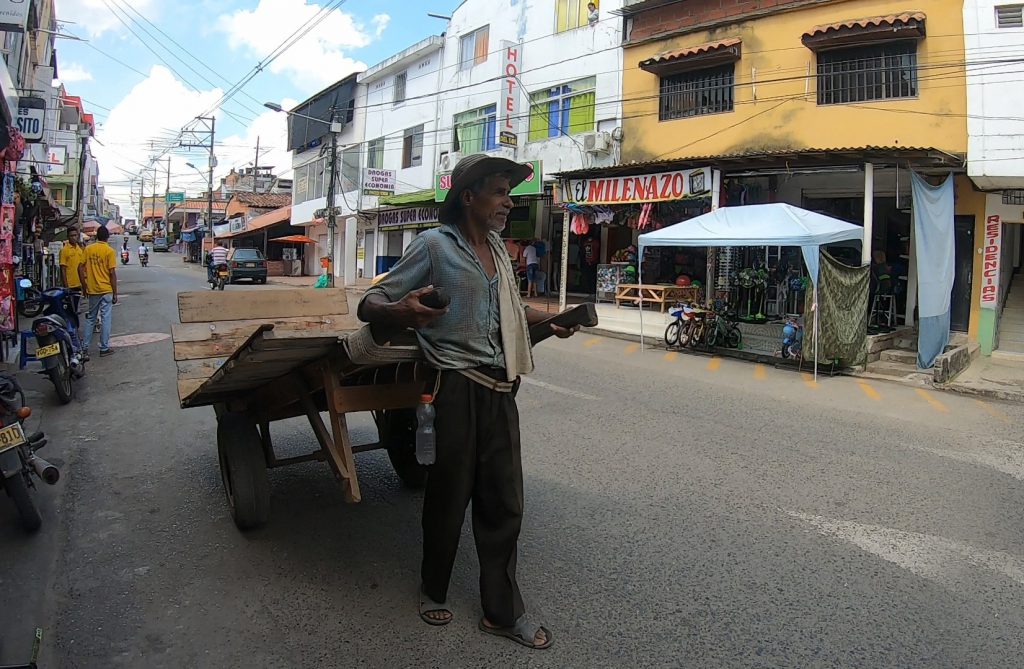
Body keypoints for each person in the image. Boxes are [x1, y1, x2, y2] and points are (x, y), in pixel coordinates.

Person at [358, 154, 578, 650]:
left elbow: (508, 310)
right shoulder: (433, 246)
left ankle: (501, 611)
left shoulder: (499, 249)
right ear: (468, 196)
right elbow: (371, 302)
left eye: (509, 192)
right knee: (448, 497)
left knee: (505, 501)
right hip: (454, 388)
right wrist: (400, 309)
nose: (509, 201)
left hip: (502, 391)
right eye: (500, 192)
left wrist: (550, 319)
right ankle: (432, 586)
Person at [78, 225, 118, 358]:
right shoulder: (109, 251)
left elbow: (80, 267)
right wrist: (115, 292)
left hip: (93, 289)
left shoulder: (88, 249)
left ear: (96, 237)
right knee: (106, 318)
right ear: (107, 237)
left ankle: (85, 348)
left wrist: (84, 286)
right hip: (106, 289)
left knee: (91, 318)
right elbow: (112, 273)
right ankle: (104, 348)